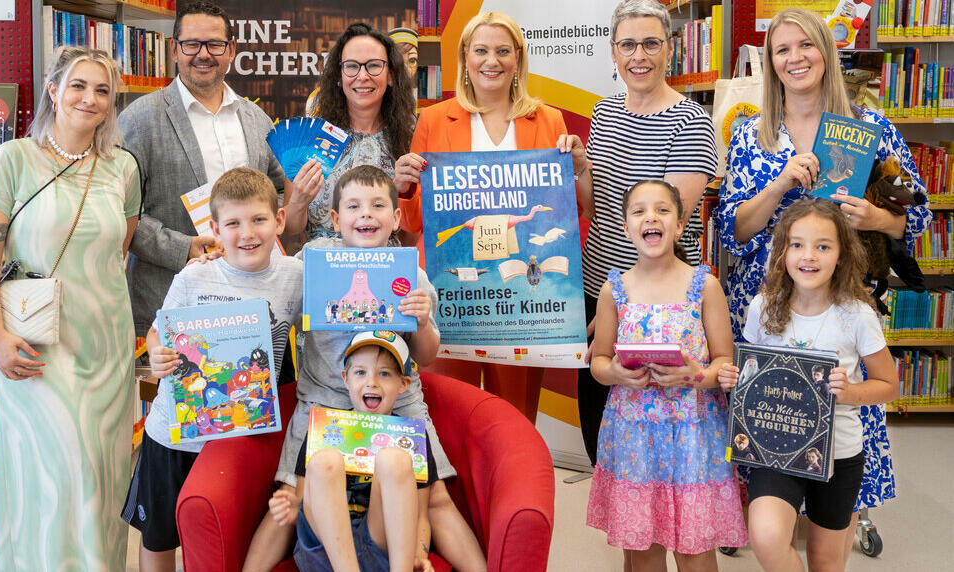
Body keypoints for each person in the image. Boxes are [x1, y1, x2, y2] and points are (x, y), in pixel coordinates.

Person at [713, 5, 931, 537]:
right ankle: (772, 516)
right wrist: (779, 185)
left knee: (842, 411)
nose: (795, 58)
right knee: (777, 417)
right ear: (770, 63)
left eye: (805, 45)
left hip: (841, 309)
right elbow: (730, 230)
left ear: (826, 52)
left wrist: (877, 216)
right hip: (766, 307)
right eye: (781, 50)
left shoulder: (870, 128)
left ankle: (834, 522)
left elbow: (917, 214)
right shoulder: (751, 136)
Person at [244, 166, 486, 572]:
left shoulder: (412, 273)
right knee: (291, 490)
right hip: (325, 402)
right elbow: (269, 286)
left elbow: (425, 357)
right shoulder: (313, 262)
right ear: (336, 219)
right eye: (353, 206)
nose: (366, 215)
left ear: (395, 218)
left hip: (398, 402)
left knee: (437, 496)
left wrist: (422, 322)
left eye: (378, 206)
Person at [0, 46, 140, 570]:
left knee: (102, 480)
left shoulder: (123, 167)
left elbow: (117, 253)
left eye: (103, 91)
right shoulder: (12, 159)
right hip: (37, 347)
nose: (90, 99)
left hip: (107, 347)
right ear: (54, 89)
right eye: (79, 86)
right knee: (57, 473)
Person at [393, 10, 578, 424]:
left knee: (513, 419)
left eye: (502, 51)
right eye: (481, 50)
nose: (491, 61)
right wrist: (403, 185)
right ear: (465, 57)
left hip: (520, 294)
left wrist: (575, 168)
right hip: (452, 291)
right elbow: (414, 220)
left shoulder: (548, 121)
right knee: (444, 414)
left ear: (518, 58)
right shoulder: (434, 120)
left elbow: (571, 208)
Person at [120, 167, 302, 572]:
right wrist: (158, 354)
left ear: (279, 220)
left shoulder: (295, 278)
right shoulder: (195, 275)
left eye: (258, 219)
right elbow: (157, 333)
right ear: (215, 230)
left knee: (226, 533)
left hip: (243, 437)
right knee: (158, 535)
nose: (247, 233)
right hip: (174, 433)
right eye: (233, 223)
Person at [572, 0, 719, 465]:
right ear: (613, 53)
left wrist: (622, 299)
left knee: (665, 441)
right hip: (601, 290)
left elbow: (661, 230)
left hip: (659, 303)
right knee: (604, 428)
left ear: (670, 49)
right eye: (628, 44)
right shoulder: (604, 112)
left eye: (651, 43)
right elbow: (598, 210)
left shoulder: (692, 121)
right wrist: (580, 170)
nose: (640, 54)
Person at [719, 199, 898, 571]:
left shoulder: (858, 315)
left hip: (839, 455)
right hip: (774, 452)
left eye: (823, 246)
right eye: (797, 244)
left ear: (842, 254)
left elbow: (888, 385)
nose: (809, 256)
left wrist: (850, 392)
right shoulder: (762, 308)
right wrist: (733, 380)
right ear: (782, 252)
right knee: (767, 535)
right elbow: (749, 377)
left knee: (825, 564)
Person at [586, 181, 746, 568]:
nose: (650, 217)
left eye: (662, 210)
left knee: (695, 552)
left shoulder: (704, 286)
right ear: (626, 227)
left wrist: (695, 376)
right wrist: (618, 375)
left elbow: (725, 363)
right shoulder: (614, 290)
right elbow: (599, 363)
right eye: (639, 211)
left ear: (679, 225)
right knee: (643, 551)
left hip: (693, 436)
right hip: (633, 438)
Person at [119, 0, 294, 338]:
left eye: (214, 44)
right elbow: (122, 214)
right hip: (168, 304)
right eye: (191, 44)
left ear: (230, 50)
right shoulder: (139, 120)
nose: (203, 54)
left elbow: (279, 193)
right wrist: (182, 247)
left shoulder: (256, 119)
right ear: (174, 49)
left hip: (250, 308)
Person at [268, 332, 435, 572]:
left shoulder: (411, 437)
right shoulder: (324, 428)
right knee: (326, 459)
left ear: (403, 384)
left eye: (384, 373)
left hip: (379, 543)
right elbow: (307, 501)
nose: (372, 382)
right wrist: (293, 508)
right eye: (360, 372)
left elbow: (420, 516)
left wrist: (418, 555)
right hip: (325, 546)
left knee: (395, 458)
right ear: (345, 379)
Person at [286, 23, 416, 243]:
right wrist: (299, 199)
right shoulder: (308, 137)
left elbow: (410, 237)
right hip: (324, 267)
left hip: (386, 269)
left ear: (391, 75)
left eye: (374, 66)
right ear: (339, 75)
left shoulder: (410, 136)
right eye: (352, 66)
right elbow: (290, 228)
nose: (362, 76)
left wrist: (402, 195)